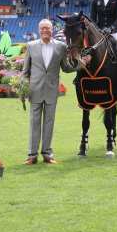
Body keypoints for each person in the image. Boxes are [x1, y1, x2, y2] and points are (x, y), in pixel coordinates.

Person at [21, 19, 90, 165]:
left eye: (48, 28)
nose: (45, 30)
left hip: (52, 90)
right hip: (35, 91)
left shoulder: (61, 47)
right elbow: (25, 72)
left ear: (52, 30)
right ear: (39, 30)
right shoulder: (31, 46)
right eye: (43, 28)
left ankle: (47, 154)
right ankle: (32, 155)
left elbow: (66, 67)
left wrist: (81, 64)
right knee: (34, 123)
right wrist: (24, 87)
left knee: (49, 123)